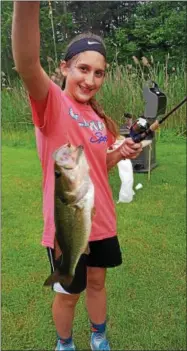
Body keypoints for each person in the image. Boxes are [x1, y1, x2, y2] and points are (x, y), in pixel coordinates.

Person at [12, 2, 142, 350]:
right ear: (64, 67)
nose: (90, 79)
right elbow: (26, 63)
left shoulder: (96, 117)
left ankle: (99, 336)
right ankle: (65, 343)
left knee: (98, 284)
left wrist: (119, 153)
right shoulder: (52, 104)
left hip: (101, 222)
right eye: (83, 69)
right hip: (68, 222)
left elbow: (99, 165)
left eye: (99, 73)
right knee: (70, 292)